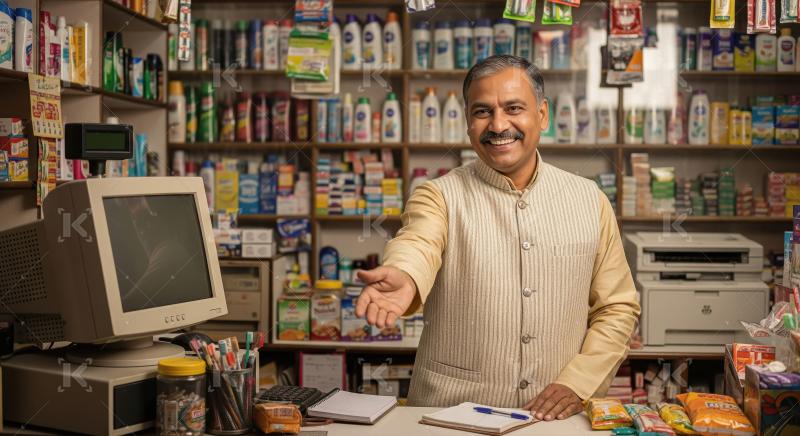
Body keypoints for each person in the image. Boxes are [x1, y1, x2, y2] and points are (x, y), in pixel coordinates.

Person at [355, 55, 641, 421]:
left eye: (514, 108)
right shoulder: (438, 195)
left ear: (542, 115)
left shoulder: (589, 200)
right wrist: (406, 276)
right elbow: (418, 243)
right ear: (468, 122)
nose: (498, 125)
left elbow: (616, 306)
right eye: (482, 111)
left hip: (552, 422)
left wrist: (578, 383)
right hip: (448, 417)